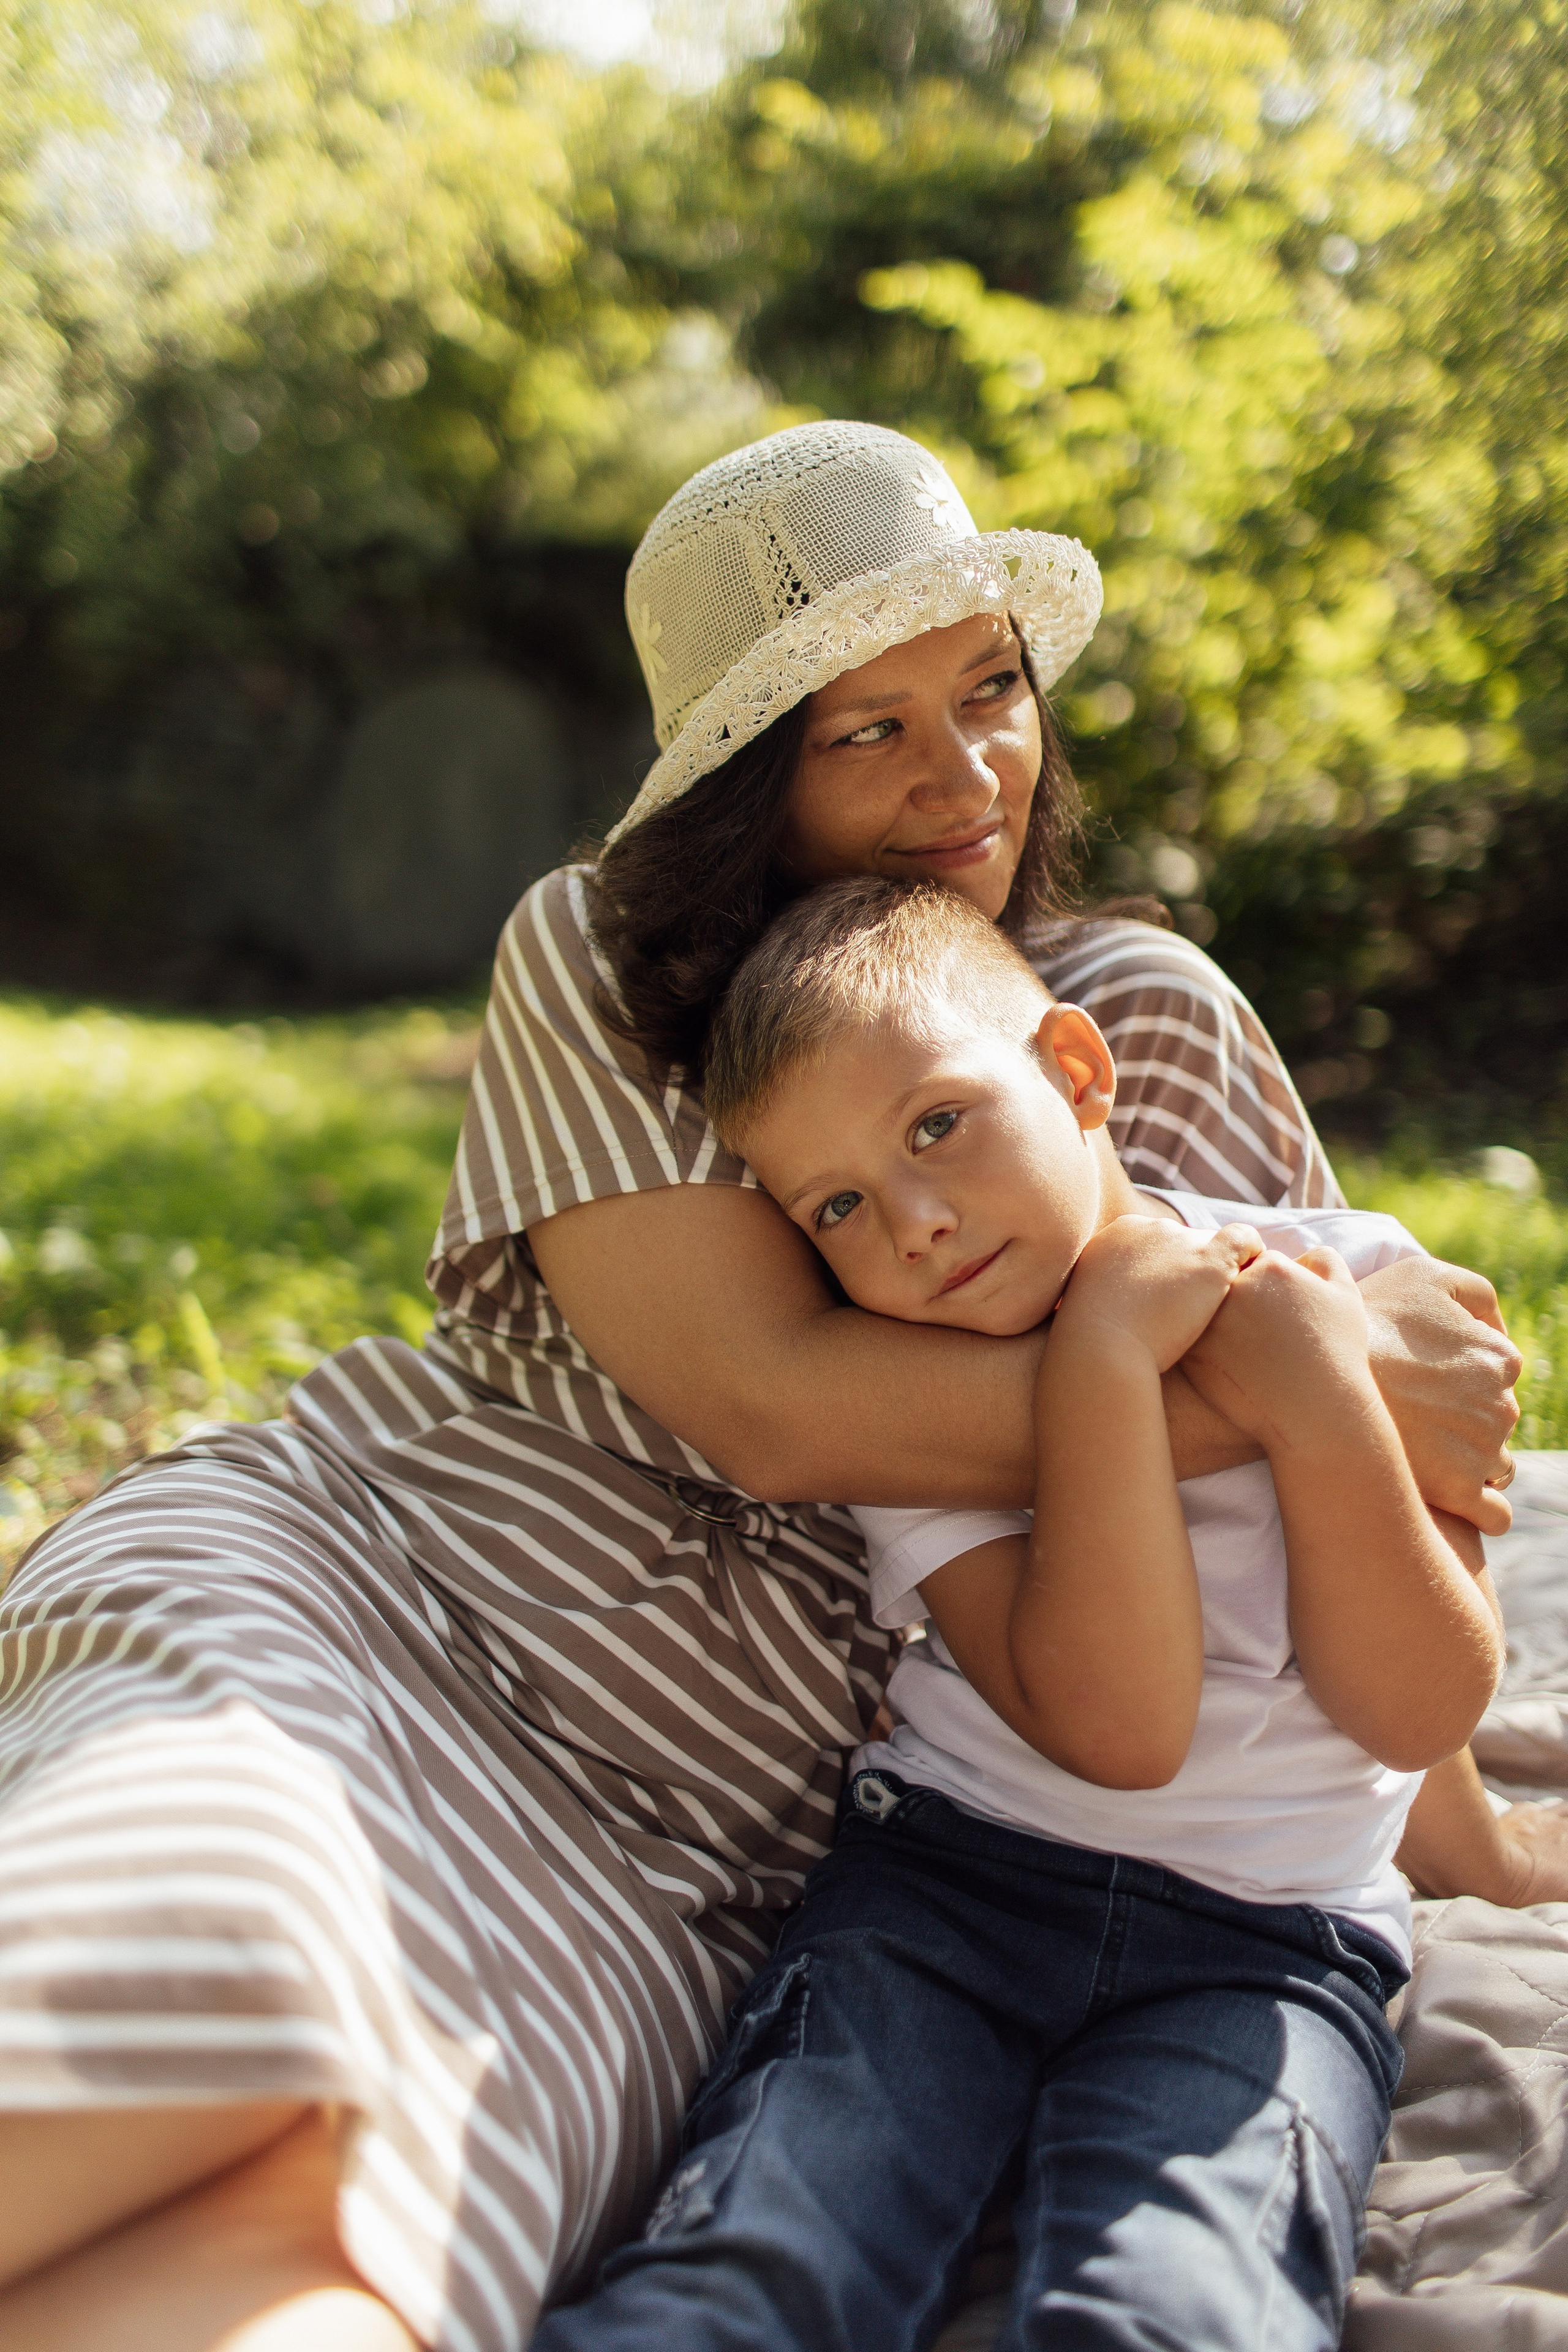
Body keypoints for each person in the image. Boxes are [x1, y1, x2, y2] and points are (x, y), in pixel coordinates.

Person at [0, 421, 1548, 2352]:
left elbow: (1372, 1512)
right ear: (744, 779)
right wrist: (1294, 1364)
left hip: (724, 1835)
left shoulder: (1140, 1012)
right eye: (861, 728)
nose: (963, 769)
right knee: (146, 1986)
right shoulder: (603, 957)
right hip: (386, 1598)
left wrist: (1463, 1828)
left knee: (312, 2245)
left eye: (988, 690)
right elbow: (781, 1406)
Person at [529, 873, 1504, 2352]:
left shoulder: (1352, 1279)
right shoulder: (912, 1392)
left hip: (1273, 1950)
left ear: (1075, 1070)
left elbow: (1417, 1710)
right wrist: (1103, 1359)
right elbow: (1117, 1726)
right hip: (948, 1894)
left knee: (1186, 2303)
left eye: (935, 1125)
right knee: (763, 2245)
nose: (913, 1224)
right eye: (838, 1206)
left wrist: (1317, 1400)